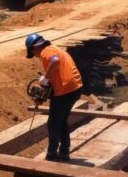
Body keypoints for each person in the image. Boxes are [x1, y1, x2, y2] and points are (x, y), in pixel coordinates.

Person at [25, 33, 84, 161]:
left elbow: (55, 62)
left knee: (53, 124)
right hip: (75, 88)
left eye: (33, 53)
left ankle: (51, 155)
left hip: (65, 91)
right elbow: (58, 73)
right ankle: (64, 153)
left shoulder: (46, 52)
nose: (35, 56)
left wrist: (45, 78)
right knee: (61, 121)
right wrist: (46, 86)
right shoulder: (56, 49)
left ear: (34, 48)